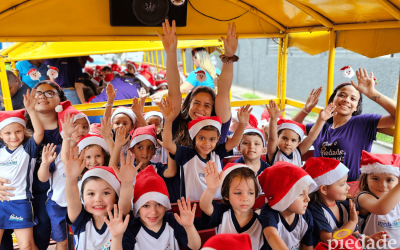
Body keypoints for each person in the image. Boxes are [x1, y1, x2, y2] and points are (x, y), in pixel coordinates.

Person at [293, 69, 396, 181]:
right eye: (342, 95)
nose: (347, 100)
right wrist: (306, 109)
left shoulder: (362, 122)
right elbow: (291, 128)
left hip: (349, 190)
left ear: (356, 106)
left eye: (353, 99)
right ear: (333, 99)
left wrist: (371, 93)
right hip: (319, 187)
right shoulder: (321, 126)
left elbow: (397, 115)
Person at [0, 81, 68, 250]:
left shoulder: (68, 126)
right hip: (5, 197)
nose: (43, 96)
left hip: (40, 196)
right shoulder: (9, 134)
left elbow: (39, 133)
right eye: (38, 93)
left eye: (49, 93)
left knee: (34, 241)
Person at [159, 96, 251, 201]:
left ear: (217, 139)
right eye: (202, 138)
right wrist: (168, 120)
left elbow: (234, 141)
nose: (207, 143)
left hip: (216, 204)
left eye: (212, 139)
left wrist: (242, 124)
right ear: (194, 138)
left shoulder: (217, 153)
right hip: (193, 207)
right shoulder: (186, 154)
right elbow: (167, 144)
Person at [108, 165, 201, 250]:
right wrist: (116, 237)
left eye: (159, 204)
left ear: (165, 205)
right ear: (137, 208)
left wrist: (189, 227)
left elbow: (195, 247)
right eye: (146, 205)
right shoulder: (132, 229)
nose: (153, 212)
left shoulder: (172, 221)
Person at [64, 149, 136, 250]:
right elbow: (72, 201)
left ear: (116, 197)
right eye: (91, 193)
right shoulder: (81, 220)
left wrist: (126, 183)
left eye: (106, 193)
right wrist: (70, 178)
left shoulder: (118, 217)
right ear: (83, 197)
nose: (98, 199)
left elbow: (125, 201)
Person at [0, 89, 44, 249]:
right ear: (1, 135)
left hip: (20, 201)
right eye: (8, 133)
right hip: (0, 201)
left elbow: (39, 133)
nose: (14, 136)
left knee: (27, 246)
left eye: (18, 131)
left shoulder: (27, 149)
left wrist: (31, 110)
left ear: (24, 130)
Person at [200, 162, 264, 250]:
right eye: (238, 193)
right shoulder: (222, 213)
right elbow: (205, 206)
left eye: (250, 193)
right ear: (226, 195)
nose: (245, 198)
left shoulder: (261, 223)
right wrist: (211, 189)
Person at [258, 162, 317, 250]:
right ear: (284, 196)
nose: (307, 199)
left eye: (307, 193)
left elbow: (307, 245)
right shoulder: (269, 212)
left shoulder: (306, 216)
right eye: (300, 194)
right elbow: (271, 236)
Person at [302, 157, 359, 244]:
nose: (348, 187)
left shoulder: (346, 205)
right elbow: (330, 240)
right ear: (324, 189)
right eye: (342, 184)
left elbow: (355, 234)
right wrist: (352, 222)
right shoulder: (314, 209)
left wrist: (367, 240)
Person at [267, 100, 336, 167]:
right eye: (284, 138)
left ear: (298, 142)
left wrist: (321, 120)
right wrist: (273, 118)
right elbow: (272, 138)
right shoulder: (273, 153)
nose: (288, 143)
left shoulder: (297, 152)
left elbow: (311, 137)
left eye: (293, 140)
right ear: (277, 138)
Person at [356, 151, 400, 248]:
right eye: (375, 179)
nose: (382, 185)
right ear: (366, 179)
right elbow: (382, 209)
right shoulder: (364, 197)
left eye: (389, 180)